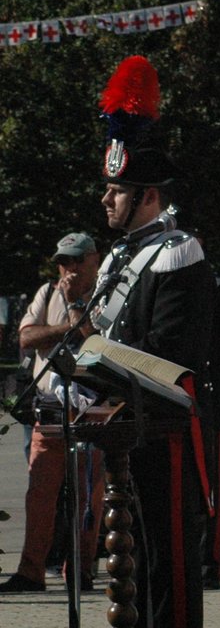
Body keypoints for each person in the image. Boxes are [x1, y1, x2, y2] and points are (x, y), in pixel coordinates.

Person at [87, 56, 215, 628]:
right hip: (123, 428)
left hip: (161, 427)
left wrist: (99, 359)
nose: (106, 200)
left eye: (117, 192)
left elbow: (170, 354)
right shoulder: (121, 256)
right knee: (131, 559)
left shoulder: (176, 251)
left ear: (149, 196)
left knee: (168, 560)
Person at [0, 233, 107, 595]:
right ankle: (31, 572)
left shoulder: (108, 292)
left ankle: (80, 571)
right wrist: (65, 329)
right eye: (63, 261)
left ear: (95, 259)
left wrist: (75, 306)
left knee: (87, 496)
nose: (69, 269)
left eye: (77, 260)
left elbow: (93, 341)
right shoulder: (46, 293)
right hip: (48, 411)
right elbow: (27, 338)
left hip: (91, 411)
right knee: (40, 495)